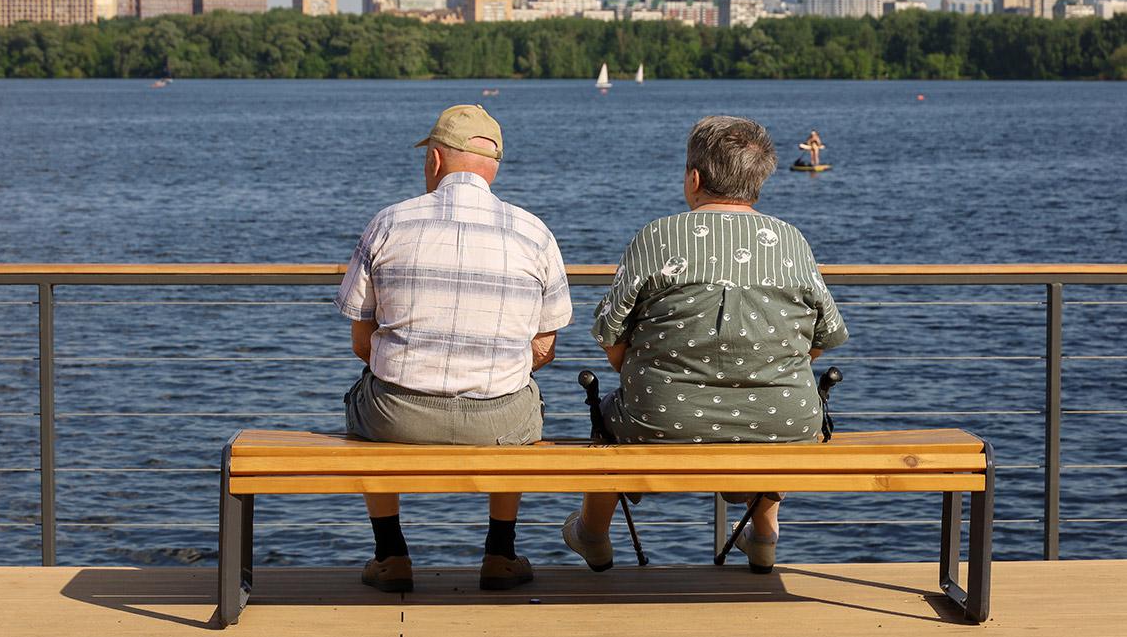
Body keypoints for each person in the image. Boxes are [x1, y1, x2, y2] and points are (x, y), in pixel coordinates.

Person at [562, 116, 848, 573]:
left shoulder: (658, 237)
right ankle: (764, 535)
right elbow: (825, 337)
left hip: (661, 415)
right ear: (758, 180)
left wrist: (651, 373)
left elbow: (609, 335)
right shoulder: (791, 241)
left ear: (694, 178)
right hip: (785, 421)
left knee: (609, 418)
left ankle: (592, 534)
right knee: (775, 405)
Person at [335, 104, 574, 592]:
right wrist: (498, 367)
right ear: (493, 167)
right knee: (523, 397)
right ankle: (500, 554)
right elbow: (545, 347)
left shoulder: (388, 223)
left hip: (397, 416)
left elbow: (363, 343)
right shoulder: (535, 233)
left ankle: (391, 554)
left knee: (365, 395)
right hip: (499, 421)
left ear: (437, 161)